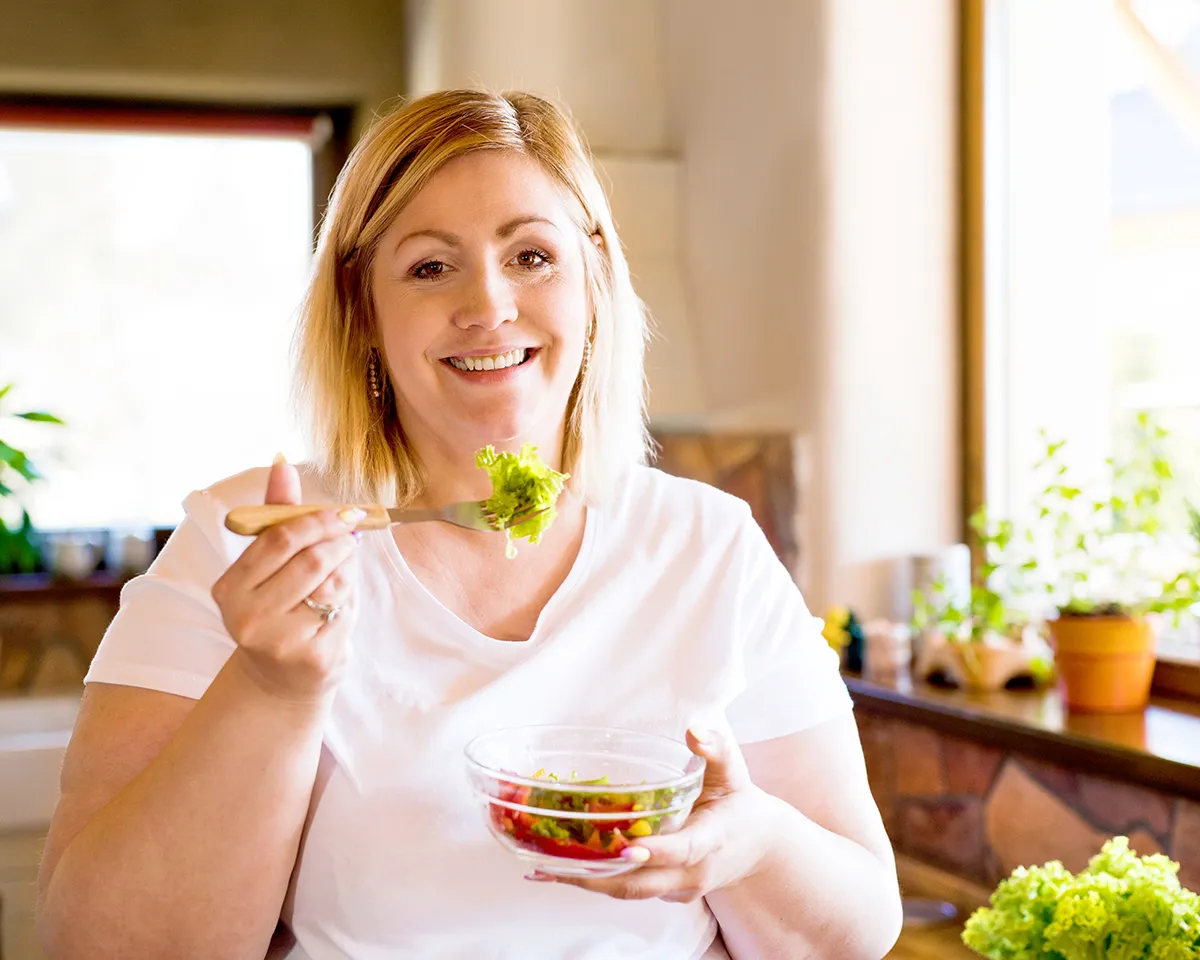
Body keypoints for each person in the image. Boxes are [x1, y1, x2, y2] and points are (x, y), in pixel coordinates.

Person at [35, 89, 903, 960]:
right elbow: (99, 945)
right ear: (363, 312)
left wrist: (751, 844)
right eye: (428, 267)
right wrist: (271, 690)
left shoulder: (710, 546)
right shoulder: (243, 542)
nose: (488, 305)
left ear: (593, 284)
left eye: (531, 255)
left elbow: (856, 932)